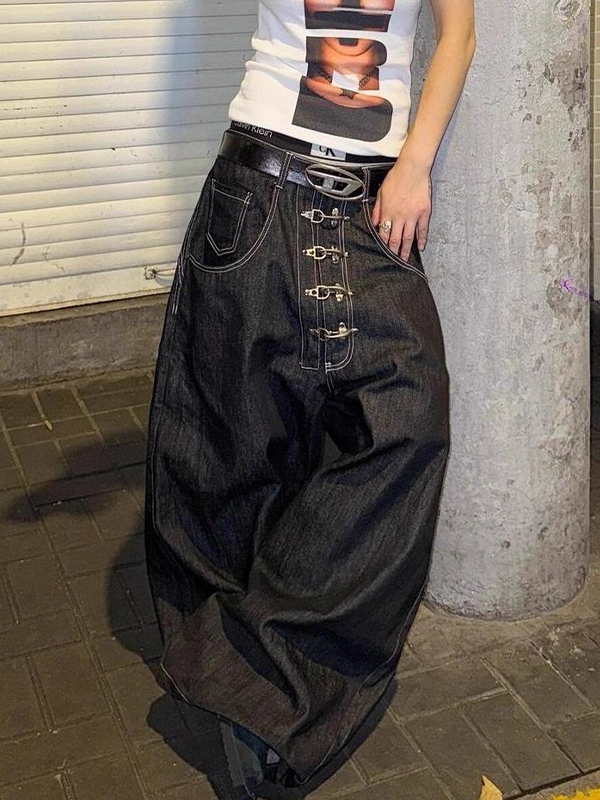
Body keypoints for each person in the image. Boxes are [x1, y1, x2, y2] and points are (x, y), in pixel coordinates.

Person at [144, 0, 475, 796]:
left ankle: (269, 656)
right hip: (259, 190)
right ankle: (240, 683)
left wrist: (416, 165)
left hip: (374, 206)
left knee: (408, 424)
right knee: (235, 441)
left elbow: (458, 35)